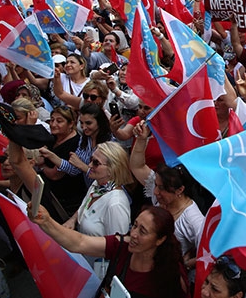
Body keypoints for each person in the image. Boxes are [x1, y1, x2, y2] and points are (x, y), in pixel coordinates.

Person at [29, 204, 189, 298]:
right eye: (134, 225)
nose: (133, 234)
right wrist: (47, 222)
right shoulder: (121, 246)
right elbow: (79, 243)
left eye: (143, 231)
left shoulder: (171, 277)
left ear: (160, 240)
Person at [130, 121, 206, 271]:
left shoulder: (194, 220)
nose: (156, 192)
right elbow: (137, 166)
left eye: (163, 189)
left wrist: (185, 265)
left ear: (180, 190)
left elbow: (208, 254)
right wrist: (141, 139)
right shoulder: (158, 193)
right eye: (156, 185)